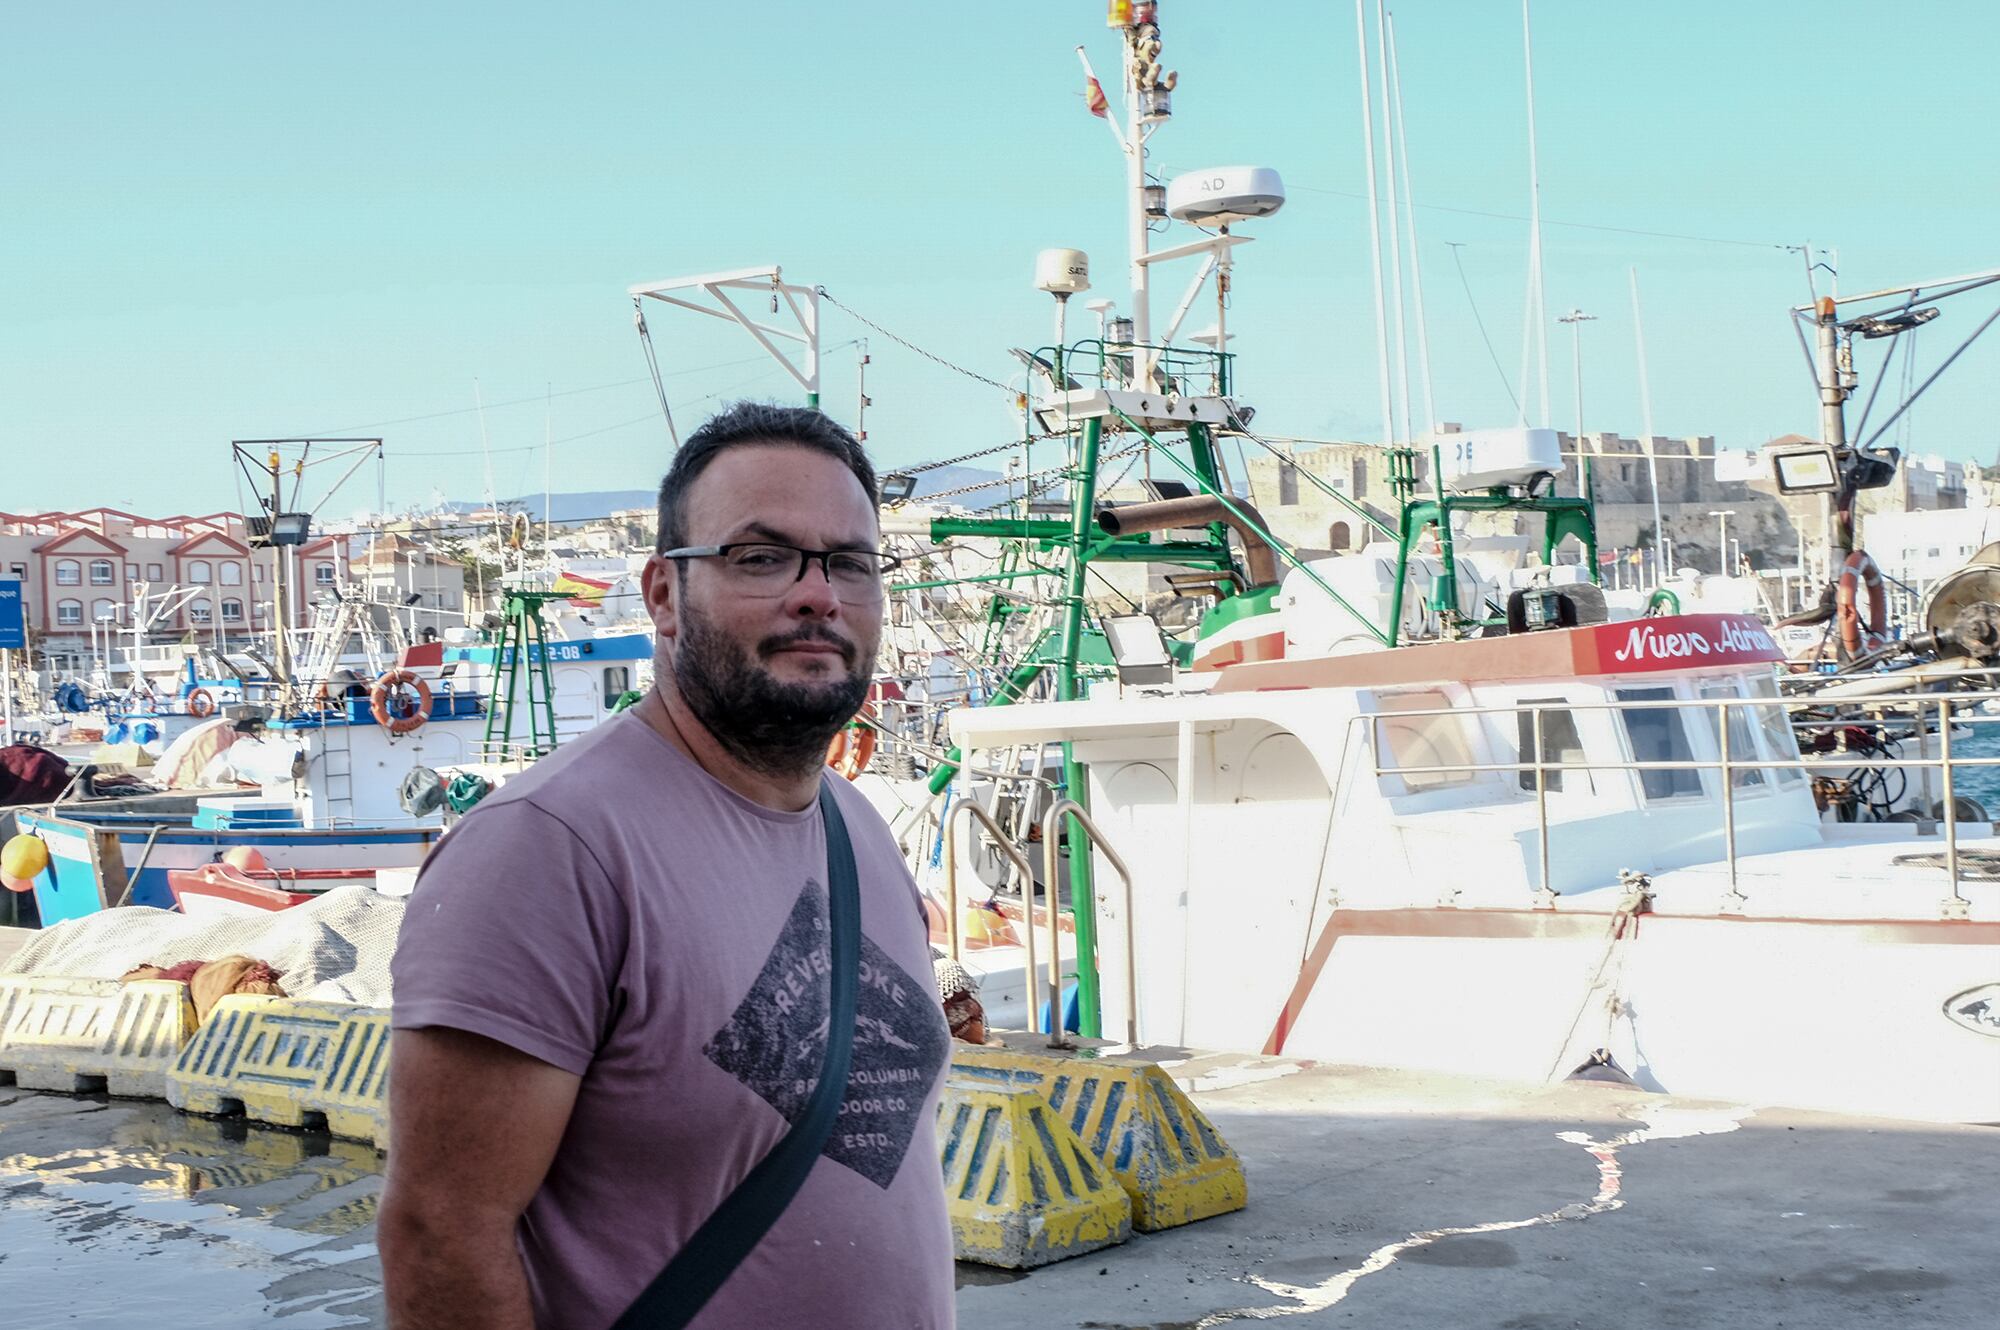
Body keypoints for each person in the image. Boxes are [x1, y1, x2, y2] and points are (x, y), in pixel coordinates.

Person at [379, 403, 955, 1330]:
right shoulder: (549, 848)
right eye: (761, 558)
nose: (818, 594)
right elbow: (441, 1235)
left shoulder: (859, 829)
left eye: (849, 561)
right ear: (661, 594)